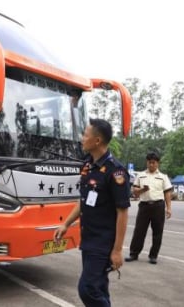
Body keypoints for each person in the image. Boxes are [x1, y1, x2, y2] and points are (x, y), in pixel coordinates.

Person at [54, 118, 130, 307]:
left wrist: (117, 250)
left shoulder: (116, 171)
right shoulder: (88, 166)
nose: (82, 139)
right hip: (88, 238)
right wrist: (66, 224)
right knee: (99, 287)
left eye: (85, 135)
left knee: (87, 289)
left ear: (97, 141)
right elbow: (84, 201)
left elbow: (122, 212)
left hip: (103, 242)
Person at [125, 152, 172, 264]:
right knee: (139, 231)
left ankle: (153, 256)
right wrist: (142, 190)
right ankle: (133, 254)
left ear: (157, 163)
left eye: (154, 163)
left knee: (157, 232)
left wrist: (169, 208)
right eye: (149, 162)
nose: (151, 165)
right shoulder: (140, 175)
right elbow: (135, 192)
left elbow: (167, 193)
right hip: (144, 206)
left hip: (158, 206)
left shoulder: (163, 177)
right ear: (147, 162)